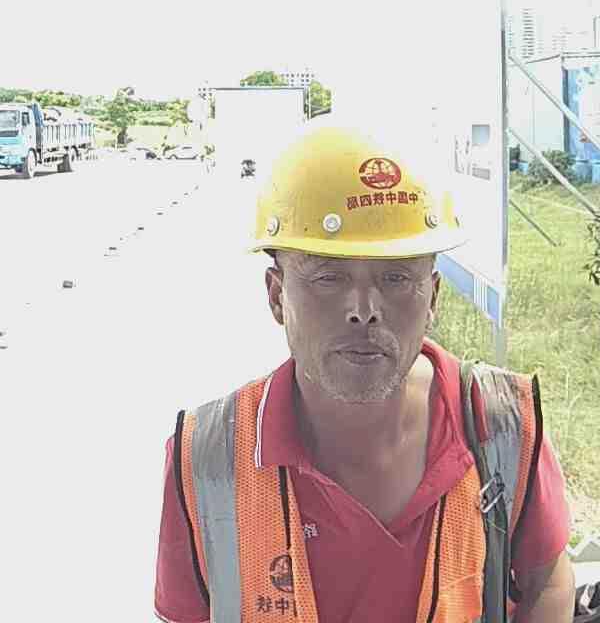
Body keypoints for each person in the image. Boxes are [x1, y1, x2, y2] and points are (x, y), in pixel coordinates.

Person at [154, 124, 575, 623]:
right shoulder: (207, 457)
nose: (363, 310)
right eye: (328, 277)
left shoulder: (502, 425)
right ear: (276, 296)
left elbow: (547, 580)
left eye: (396, 277)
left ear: (433, 297)